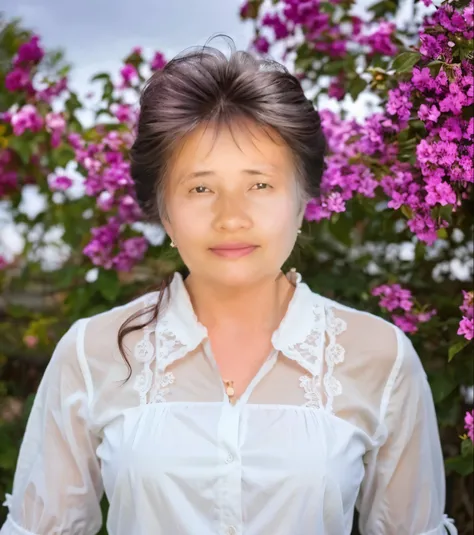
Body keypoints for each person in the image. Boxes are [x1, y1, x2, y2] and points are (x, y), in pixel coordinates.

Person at [1, 40, 457, 535]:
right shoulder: (93, 354)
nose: (232, 217)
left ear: (303, 200)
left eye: (260, 185)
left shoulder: (381, 357)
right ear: (163, 211)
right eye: (200, 188)